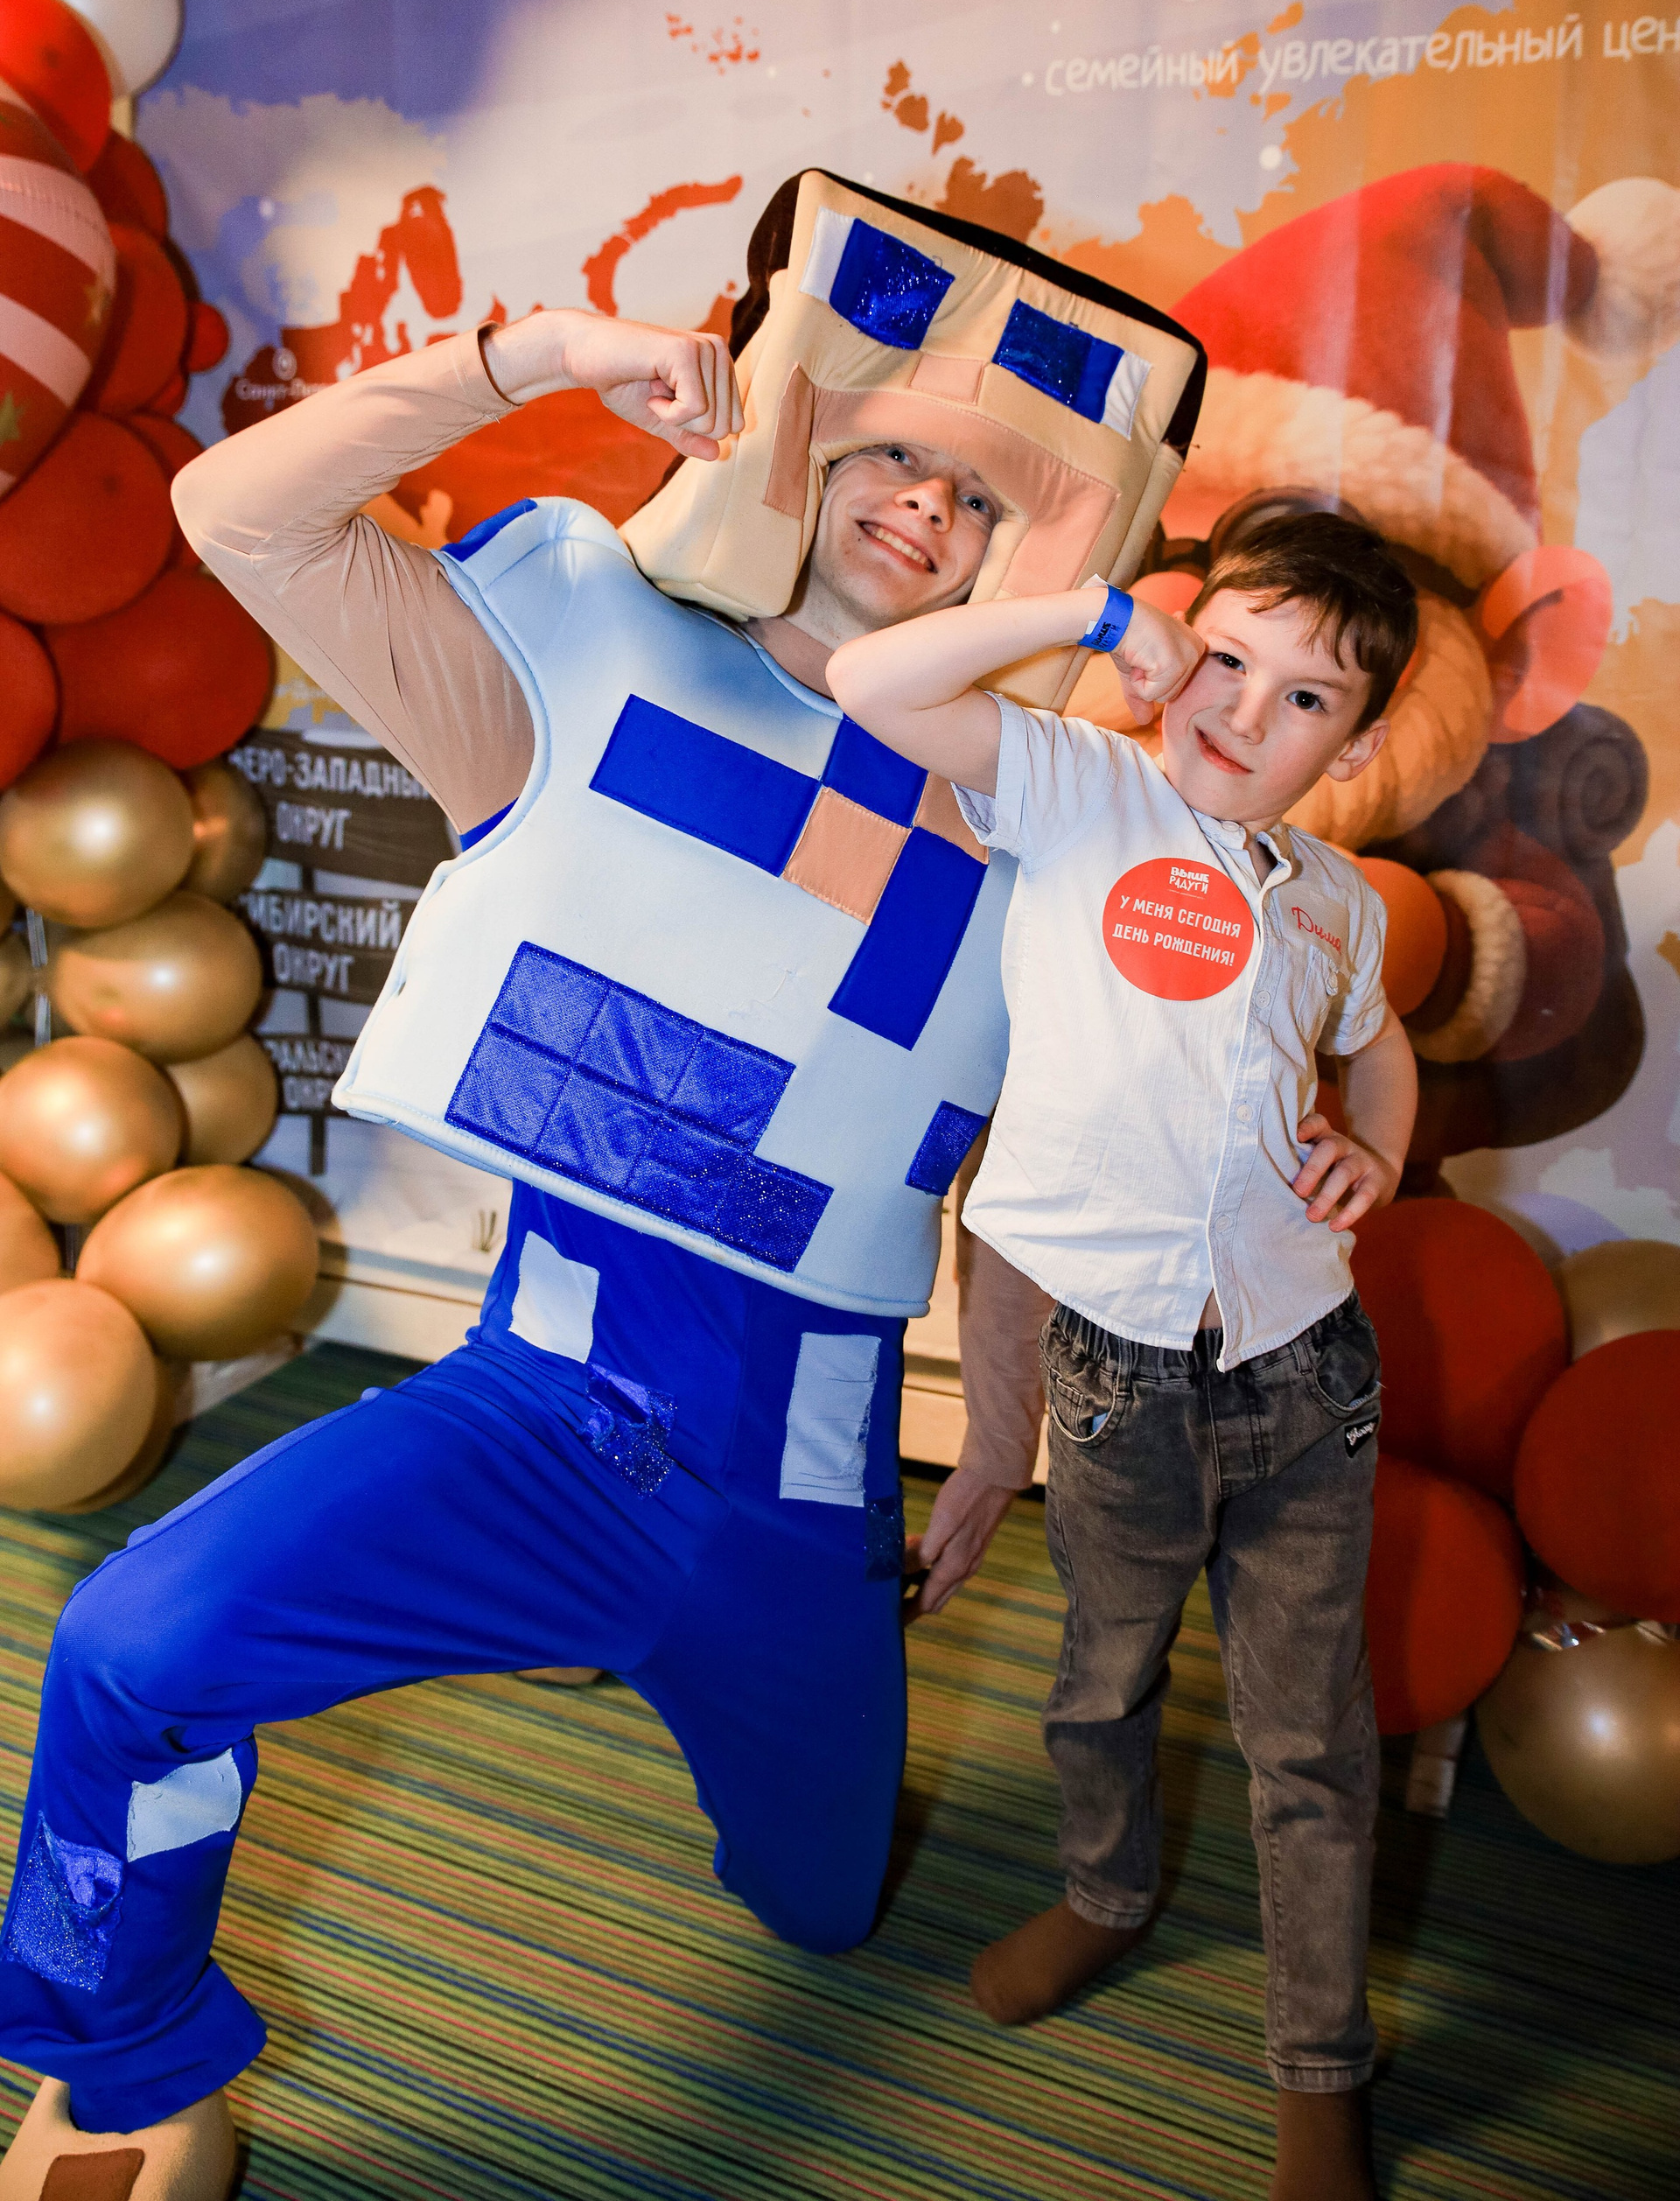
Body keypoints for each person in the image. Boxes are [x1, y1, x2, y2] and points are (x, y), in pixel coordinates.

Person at [0, 171, 1203, 2195]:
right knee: (132, 1649)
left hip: (805, 1504)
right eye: (892, 454)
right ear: (805, 442)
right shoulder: (582, 662)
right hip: (539, 1424)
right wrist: (540, 355)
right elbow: (239, 514)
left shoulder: (1050, 829)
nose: (924, 505)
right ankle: (125, 2072)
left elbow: (1000, 1150)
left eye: (976, 492)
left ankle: (659, 1665)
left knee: (823, 1907)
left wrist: (999, 1421)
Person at [830, 512, 1420, 2201]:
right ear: (1179, 649)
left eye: (1303, 698)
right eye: (1228, 657)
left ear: (1351, 749)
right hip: (1116, 1378)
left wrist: (1378, 1151)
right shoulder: (1083, 786)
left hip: (1307, 1371)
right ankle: (1105, 1893)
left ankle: (1320, 2060)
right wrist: (1097, 615)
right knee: (1103, 1679)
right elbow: (875, 678)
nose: (1243, 708)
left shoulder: (1340, 903)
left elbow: (1378, 1052)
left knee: (1311, 1740)